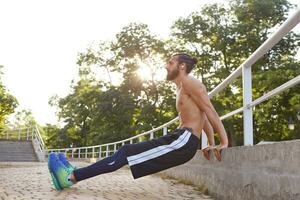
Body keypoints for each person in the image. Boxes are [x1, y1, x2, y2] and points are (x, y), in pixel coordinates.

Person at [48, 53, 229, 190]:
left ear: (181, 66)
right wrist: (210, 143)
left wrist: (223, 142)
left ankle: (70, 177)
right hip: (181, 139)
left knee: (126, 153)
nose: (166, 66)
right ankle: (73, 173)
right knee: (125, 152)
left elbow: (209, 110)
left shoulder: (191, 83)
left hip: (183, 141)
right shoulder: (182, 88)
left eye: (170, 62)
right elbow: (202, 115)